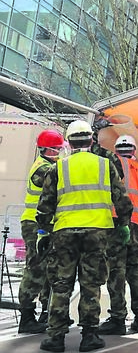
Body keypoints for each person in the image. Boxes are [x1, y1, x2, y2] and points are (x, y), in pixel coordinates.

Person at [35, 120, 133, 352]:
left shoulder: (58, 168)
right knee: (91, 285)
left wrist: (44, 232)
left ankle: (56, 338)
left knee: (61, 284)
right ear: (91, 140)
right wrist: (123, 225)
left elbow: (45, 206)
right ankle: (89, 336)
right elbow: (122, 201)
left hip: (64, 234)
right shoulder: (105, 165)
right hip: (97, 234)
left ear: (69, 142)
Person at [98, 135, 138, 335]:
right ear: (134, 150)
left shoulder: (114, 163)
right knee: (134, 271)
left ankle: (118, 318)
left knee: (116, 271)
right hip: (136, 223)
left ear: (116, 149)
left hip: (117, 221)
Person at [17, 130, 65, 334]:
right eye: (57, 149)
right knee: (35, 269)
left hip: (45, 224)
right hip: (35, 224)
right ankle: (27, 317)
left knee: (48, 270)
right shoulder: (43, 169)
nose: (59, 153)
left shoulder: (50, 165)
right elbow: (58, 180)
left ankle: (46, 312)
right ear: (47, 149)